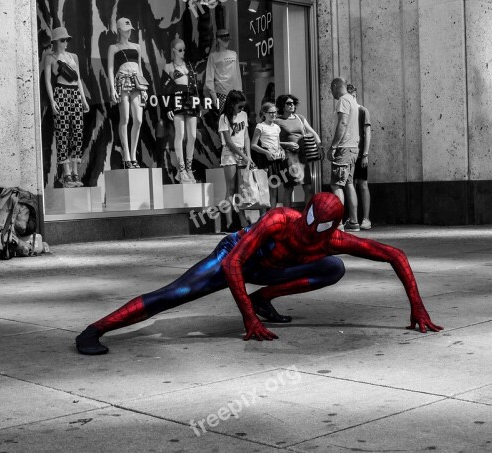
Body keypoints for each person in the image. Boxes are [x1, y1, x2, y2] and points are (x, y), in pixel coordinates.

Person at [75, 192, 443, 355]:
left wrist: (417, 307)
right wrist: (248, 320)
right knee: (175, 294)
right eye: (309, 222)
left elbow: (394, 254)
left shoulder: (334, 242)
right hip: (237, 256)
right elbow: (235, 263)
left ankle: (263, 298)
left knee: (334, 267)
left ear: (332, 228)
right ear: (306, 211)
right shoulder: (279, 219)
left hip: (274, 270)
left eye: (319, 228)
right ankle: (95, 329)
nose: (308, 231)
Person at [43, 27, 90, 188]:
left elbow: (78, 79)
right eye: (62, 40)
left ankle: (75, 171)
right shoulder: (50, 58)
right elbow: (48, 81)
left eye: (67, 40)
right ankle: (66, 173)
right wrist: (52, 100)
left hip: (75, 93)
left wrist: (83, 99)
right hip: (61, 93)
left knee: (77, 131)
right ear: (55, 41)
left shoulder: (72, 56)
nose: (65, 43)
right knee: (62, 132)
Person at [107, 18, 148, 169]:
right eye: (125, 29)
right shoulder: (114, 47)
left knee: (138, 119)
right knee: (125, 118)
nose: (128, 31)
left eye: (129, 29)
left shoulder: (137, 46)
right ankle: (127, 156)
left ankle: (133, 154)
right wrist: (112, 88)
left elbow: (140, 68)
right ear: (119, 30)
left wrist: (144, 88)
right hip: (122, 80)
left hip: (136, 81)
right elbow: (110, 69)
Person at [163, 39, 202, 183]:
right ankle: (181, 169)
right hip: (176, 100)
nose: (183, 52)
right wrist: (168, 107)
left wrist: (198, 105)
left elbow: (196, 88)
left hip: (190, 99)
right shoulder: (168, 67)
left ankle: (189, 167)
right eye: (180, 50)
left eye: (184, 49)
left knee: (192, 135)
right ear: (173, 50)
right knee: (180, 134)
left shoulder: (189, 66)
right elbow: (165, 89)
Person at [275, 94, 321, 207]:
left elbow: (312, 132)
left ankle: (307, 218)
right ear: (282, 105)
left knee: (308, 187)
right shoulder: (277, 121)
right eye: (288, 103)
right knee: (289, 188)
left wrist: (319, 146)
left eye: (293, 103)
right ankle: (287, 218)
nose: (292, 105)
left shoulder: (300, 118)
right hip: (287, 156)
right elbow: (272, 142)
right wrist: (287, 144)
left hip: (301, 155)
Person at [328, 77, 360, 231]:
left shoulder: (343, 100)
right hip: (353, 146)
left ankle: (338, 223)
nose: (331, 92)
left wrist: (334, 146)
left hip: (344, 147)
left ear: (335, 86)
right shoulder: (353, 101)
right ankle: (353, 221)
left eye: (331, 89)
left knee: (336, 184)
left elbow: (342, 123)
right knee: (348, 183)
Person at [219, 90, 252, 232]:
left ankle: (243, 221)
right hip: (229, 152)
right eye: (239, 107)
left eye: (243, 107)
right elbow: (228, 141)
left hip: (242, 152)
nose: (241, 110)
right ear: (232, 104)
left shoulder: (243, 115)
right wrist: (244, 156)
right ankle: (229, 222)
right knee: (230, 188)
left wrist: (248, 155)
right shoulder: (224, 118)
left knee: (241, 189)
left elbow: (246, 137)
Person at [251, 102, 290, 209]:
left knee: (275, 189)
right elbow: (253, 145)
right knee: (265, 189)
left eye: (275, 112)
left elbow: (278, 143)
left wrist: (281, 150)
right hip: (266, 160)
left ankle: (272, 214)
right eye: (270, 113)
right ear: (264, 113)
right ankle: (265, 215)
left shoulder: (277, 127)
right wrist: (266, 152)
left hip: (276, 160)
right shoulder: (260, 126)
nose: (273, 115)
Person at [347, 84, 372, 230]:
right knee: (350, 184)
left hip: (359, 153)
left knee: (362, 184)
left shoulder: (362, 111)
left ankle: (366, 218)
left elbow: (367, 133)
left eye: (352, 95)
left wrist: (365, 154)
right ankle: (353, 218)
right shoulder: (347, 112)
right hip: (349, 153)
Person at [205, 29, 242, 113]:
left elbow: (238, 74)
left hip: (236, 93)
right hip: (221, 93)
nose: (227, 42)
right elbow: (209, 77)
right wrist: (214, 96)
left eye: (228, 39)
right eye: (224, 39)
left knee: (237, 118)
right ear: (218, 39)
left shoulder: (233, 54)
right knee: (224, 119)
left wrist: (240, 91)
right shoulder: (213, 56)